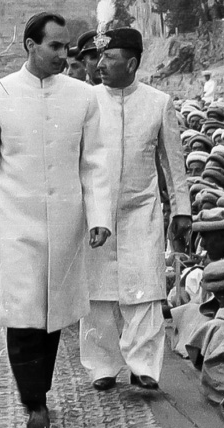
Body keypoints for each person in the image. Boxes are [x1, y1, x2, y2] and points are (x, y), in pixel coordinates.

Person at [0, 12, 112, 428]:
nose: (63, 55)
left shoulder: (84, 97)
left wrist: (99, 216)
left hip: (65, 221)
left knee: (52, 313)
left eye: (66, 47)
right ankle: (33, 399)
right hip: (15, 221)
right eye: (54, 46)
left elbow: (95, 163)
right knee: (24, 311)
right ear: (30, 45)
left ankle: (38, 391)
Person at [79, 27, 191, 392]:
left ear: (131, 62)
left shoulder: (159, 102)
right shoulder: (86, 99)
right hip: (95, 209)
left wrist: (182, 210)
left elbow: (174, 163)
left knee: (145, 287)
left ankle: (144, 367)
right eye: (99, 58)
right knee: (98, 291)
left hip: (142, 209)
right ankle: (102, 366)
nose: (100, 65)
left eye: (108, 58)